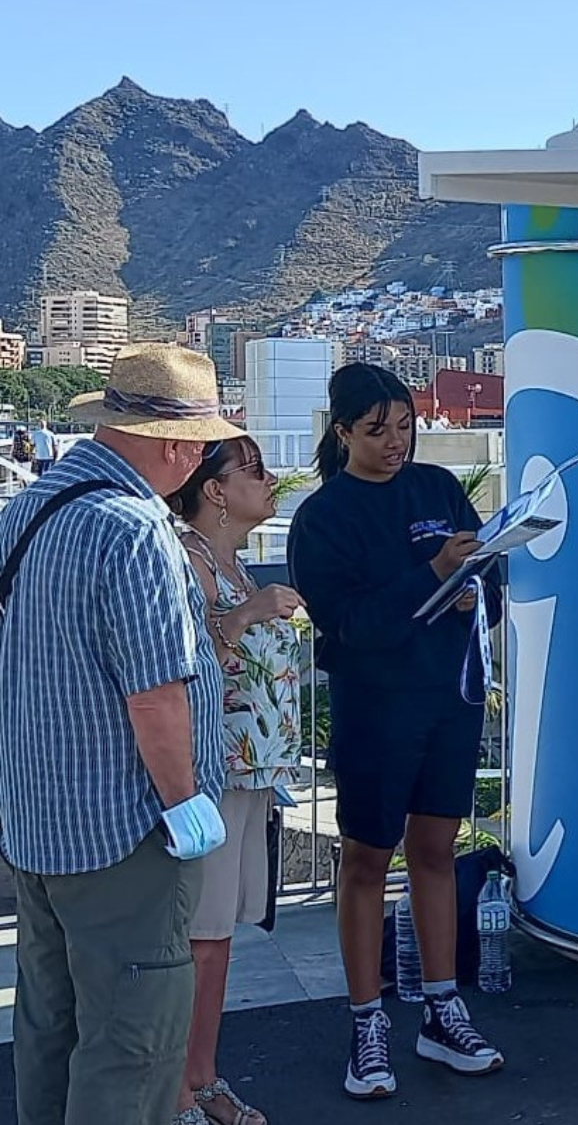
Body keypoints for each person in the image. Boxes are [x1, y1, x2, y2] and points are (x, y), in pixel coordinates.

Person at [0, 343, 237, 1123]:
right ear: (175, 445)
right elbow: (156, 697)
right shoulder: (134, 527)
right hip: (125, 834)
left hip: (36, 825)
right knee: (133, 1043)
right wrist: (186, 807)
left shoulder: (31, 505)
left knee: (49, 1026)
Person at [288, 362, 504, 1101]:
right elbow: (349, 623)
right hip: (375, 705)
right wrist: (433, 574)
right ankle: (367, 1021)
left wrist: (474, 594)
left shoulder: (438, 489)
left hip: (451, 697)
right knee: (367, 857)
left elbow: (487, 579)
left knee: (437, 850)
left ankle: (442, 1009)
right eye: (377, 429)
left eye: (406, 427)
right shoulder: (324, 516)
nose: (395, 443)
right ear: (342, 432)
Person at [166, 435, 305, 1125]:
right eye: (253, 470)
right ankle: (183, 1088)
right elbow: (184, 657)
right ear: (214, 490)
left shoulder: (233, 565)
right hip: (213, 773)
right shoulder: (188, 560)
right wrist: (248, 614)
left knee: (218, 933)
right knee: (202, 935)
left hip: (247, 773)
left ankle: (201, 1077)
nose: (269, 479)